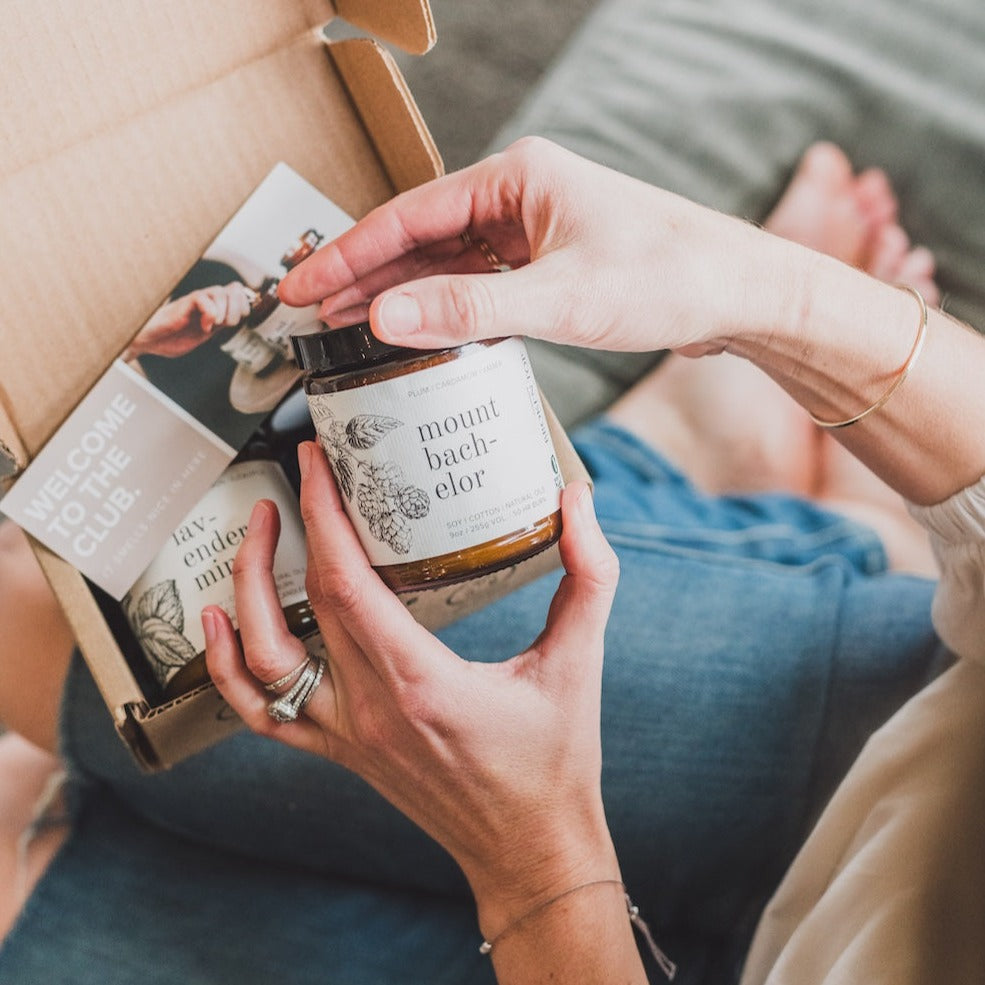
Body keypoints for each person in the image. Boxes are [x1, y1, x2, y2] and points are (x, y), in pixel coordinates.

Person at [0, 142, 956, 984]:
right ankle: (781, 494)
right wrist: (769, 295)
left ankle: (759, 496)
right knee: (28, 626)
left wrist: (535, 868)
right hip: (887, 749)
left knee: (26, 879)